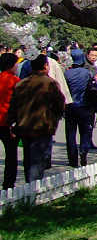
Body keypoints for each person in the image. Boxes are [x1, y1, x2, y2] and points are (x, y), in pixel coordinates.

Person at [8, 55, 65, 183]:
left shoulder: (21, 83)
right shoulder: (50, 83)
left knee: (28, 158)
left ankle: (29, 184)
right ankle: (34, 189)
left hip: (24, 126)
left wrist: (11, 122)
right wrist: (54, 119)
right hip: (42, 126)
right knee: (39, 160)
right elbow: (60, 104)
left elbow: (13, 106)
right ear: (45, 66)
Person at [63, 48, 97, 167]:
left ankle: (72, 159)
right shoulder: (87, 73)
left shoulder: (67, 74)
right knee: (85, 132)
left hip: (70, 106)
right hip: (85, 106)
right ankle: (83, 152)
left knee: (70, 134)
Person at [0, 52, 20, 189]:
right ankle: (8, 184)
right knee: (11, 155)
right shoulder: (15, 81)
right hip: (8, 122)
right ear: (11, 65)